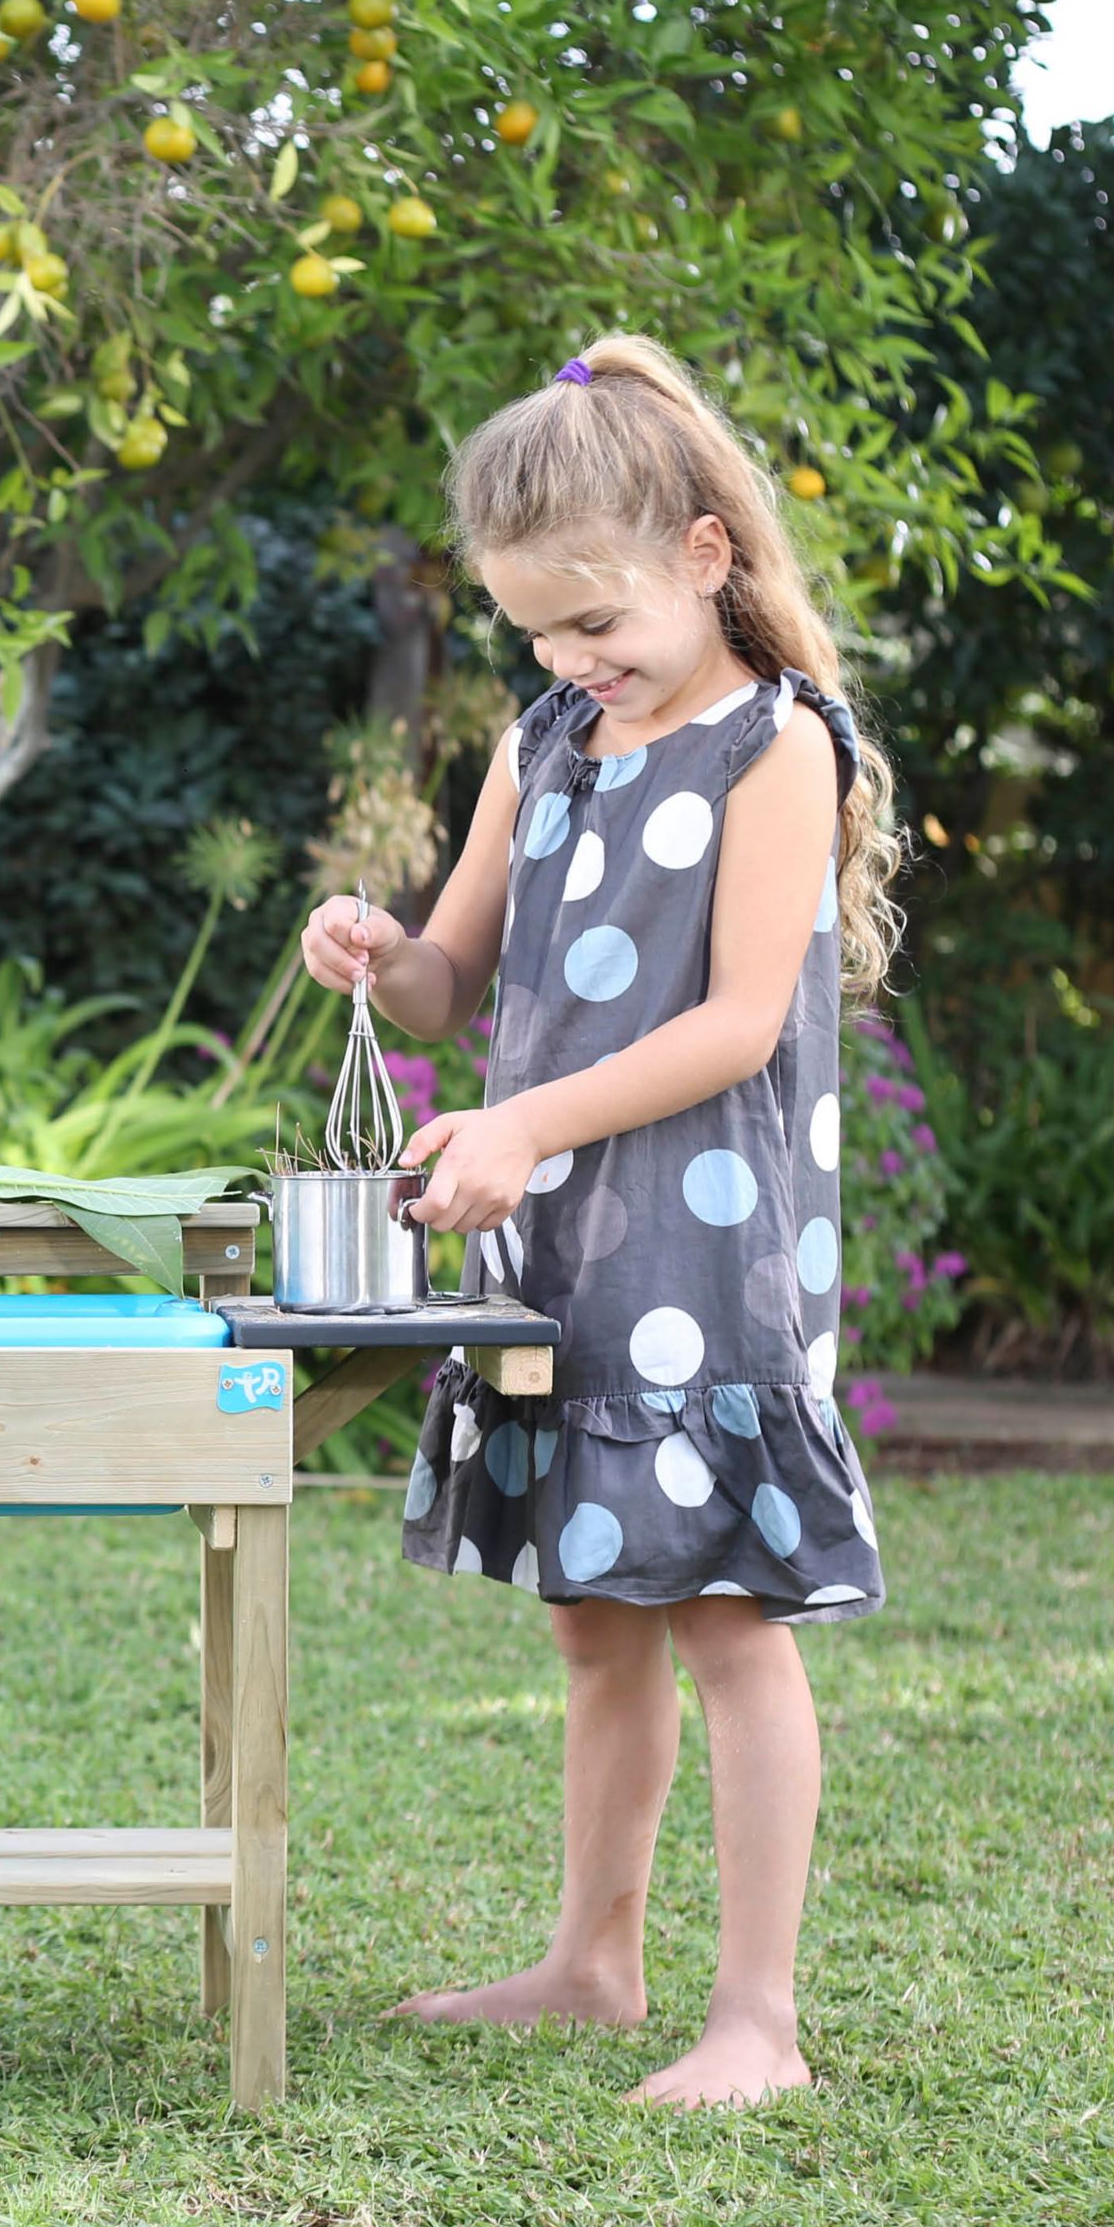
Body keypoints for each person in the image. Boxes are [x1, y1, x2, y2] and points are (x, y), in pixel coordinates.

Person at [302, 335, 900, 2109]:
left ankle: (760, 2021)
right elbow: (449, 983)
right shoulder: (546, 739)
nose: (571, 660)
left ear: (707, 556)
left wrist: (530, 1123)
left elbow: (733, 1025)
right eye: (538, 632)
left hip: (702, 1242)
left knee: (727, 1616)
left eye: (596, 623)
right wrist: (377, 950)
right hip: (555, 1234)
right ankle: (592, 1958)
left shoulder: (775, 746)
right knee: (593, 1611)